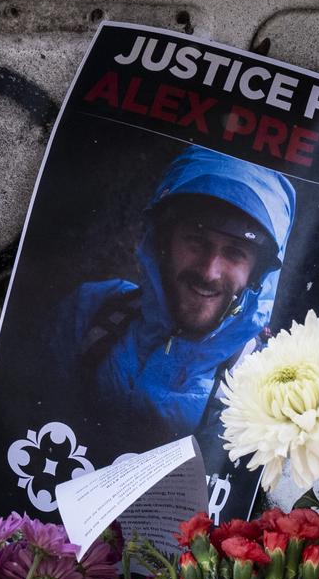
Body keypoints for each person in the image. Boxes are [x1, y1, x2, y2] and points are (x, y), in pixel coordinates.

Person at [41, 144, 295, 514]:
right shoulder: (93, 311)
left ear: (257, 274)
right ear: (163, 240)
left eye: (235, 253)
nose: (210, 270)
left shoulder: (264, 381)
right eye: (197, 241)